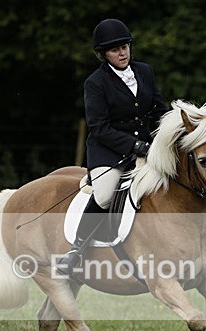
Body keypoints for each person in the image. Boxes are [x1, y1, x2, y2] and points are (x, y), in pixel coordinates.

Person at [55, 18, 169, 276]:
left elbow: (159, 111)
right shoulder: (95, 83)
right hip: (109, 151)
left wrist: (175, 132)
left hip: (146, 148)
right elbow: (99, 128)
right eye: (115, 49)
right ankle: (76, 248)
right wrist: (135, 145)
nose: (122, 52)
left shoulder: (145, 71)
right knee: (105, 194)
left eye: (125, 46)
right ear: (103, 54)